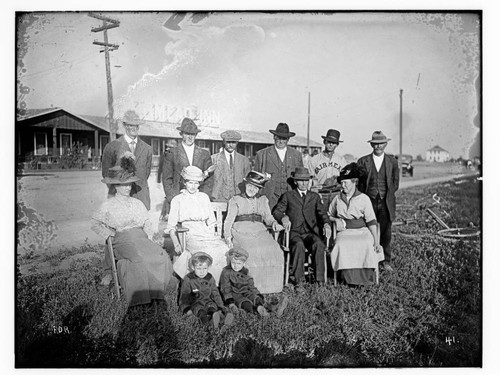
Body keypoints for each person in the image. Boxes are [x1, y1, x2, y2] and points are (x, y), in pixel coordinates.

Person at [91, 153, 173, 307]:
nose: (127, 188)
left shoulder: (137, 203)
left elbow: (147, 223)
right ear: (115, 186)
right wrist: (110, 234)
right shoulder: (109, 205)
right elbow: (95, 223)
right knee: (139, 259)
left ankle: (157, 292)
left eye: (129, 184)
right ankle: (141, 298)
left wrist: (153, 237)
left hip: (141, 238)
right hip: (122, 240)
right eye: (123, 185)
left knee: (160, 256)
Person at [223, 171, 285, 294]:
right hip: (241, 231)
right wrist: (227, 237)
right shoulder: (236, 199)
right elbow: (229, 220)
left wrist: (274, 224)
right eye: (250, 186)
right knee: (250, 250)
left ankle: (270, 287)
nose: (252, 189)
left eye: (256, 187)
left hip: (260, 230)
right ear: (245, 184)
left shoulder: (262, 200)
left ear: (259, 189)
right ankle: (250, 287)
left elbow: (268, 217)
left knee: (274, 249)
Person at [165, 166, 228, 284]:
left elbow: (211, 222)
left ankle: (220, 286)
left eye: (196, 183)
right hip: (190, 233)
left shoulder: (203, 197)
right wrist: (176, 243)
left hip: (206, 232)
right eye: (190, 183)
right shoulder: (178, 199)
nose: (193, 186)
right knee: (208, 252)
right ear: (184, 183)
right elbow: (171, 227)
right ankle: (205, 285)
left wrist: (214, 236)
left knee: (223, 249)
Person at [273, 167, 332, 285]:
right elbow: (277, 211)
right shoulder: (288, 195)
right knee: (298, 245)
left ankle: (319, 280)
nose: (304, 183)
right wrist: (284, 218)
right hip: (294, 232)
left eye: (306, 180)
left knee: (319, 244)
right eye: (301, 180)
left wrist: (326, 224)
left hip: (310, 232)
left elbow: (322, 214)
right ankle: (299, 281)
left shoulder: (314, 196)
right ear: (295, 182)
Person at [328, 163, 384, 286]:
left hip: (362, 230)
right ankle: (348, 279)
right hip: (345, 231)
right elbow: (329, 215)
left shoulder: (364, 198)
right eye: (341, 183)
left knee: (366, 244)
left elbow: (372, 221)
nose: (342, 186)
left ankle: (366, 280)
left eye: (345, 183)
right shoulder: (337, 199)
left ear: (354, 182)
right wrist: (335, 220)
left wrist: (376, 241)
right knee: (341, 244)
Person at [357, 131, 399, 272]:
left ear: (386, 144)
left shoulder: (392, 162)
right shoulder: (363, 161)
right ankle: (368, 260)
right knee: (368, 230)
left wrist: (386, 195)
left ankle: (385, 261)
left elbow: (395, 183)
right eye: (375, 144)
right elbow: (360, 184)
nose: (378, 146)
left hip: (385, 202)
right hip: (369, 201)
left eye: (381, 143)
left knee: (386, 232)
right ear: (372, 145)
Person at [161, 117, 214, 219]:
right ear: (181, 134)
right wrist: (173, 198)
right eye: (187, 134)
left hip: (198, 198)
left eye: (193, 134)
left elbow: (210, 180)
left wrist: (203, 197)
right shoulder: (172, 153)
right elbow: (167, 179)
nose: (190, 137)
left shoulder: (204, 154)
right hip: (179, 198)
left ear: (196, 135)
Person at [101, 110, 153, 210]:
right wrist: (120, 189)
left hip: (140, 196)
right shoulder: (112, 147)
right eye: (131, 125)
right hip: (120, 197)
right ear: (125, 126)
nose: (134, 128)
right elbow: (106, 173)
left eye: (137, 125)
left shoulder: (147, 149)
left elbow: (146, 173)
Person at [254, 123, 303, 211]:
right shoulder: (262, 154)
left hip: (291, 199)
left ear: (288, 139)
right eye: (278, 138)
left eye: (284, 138)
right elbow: (256, 180)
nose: (281, 141)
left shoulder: (296, 155)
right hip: (269, 198)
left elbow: (302, 178)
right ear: (274, 137)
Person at [179, 252, 234, 329]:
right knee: (201, 312)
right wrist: (187, 309)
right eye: (199, 268)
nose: (202, 271)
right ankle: (207, 324)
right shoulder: (189, 279)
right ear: (193, 267)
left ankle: (219, 320)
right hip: (195, 303)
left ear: (209, 267)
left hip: (208, 301)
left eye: (205, 268)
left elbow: (215, 294)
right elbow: (184, 295)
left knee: (212, 309)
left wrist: (220, 305)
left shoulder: (210, 278)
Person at [219, 247, 270, 317]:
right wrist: (230, 301)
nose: (235, 266)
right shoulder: (226, 272)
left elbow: (251, 286)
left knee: (256, 298)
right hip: (235, 294)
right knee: (246, 303)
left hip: (246, 292)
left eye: (238, 263)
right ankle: (251, 312)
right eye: (233, 263)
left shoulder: (246, 272)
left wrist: (258, 294)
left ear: (244, 263)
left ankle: (262, 307)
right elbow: (225, 287)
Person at [211, 130, 251, 202]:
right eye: (228, 142)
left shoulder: (244, 160)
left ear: (237, 143)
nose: (231, 145)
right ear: (224, 142)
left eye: (233, 142)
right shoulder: (214, 159)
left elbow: (248, 182)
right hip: (219, 199)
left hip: (239, 199)